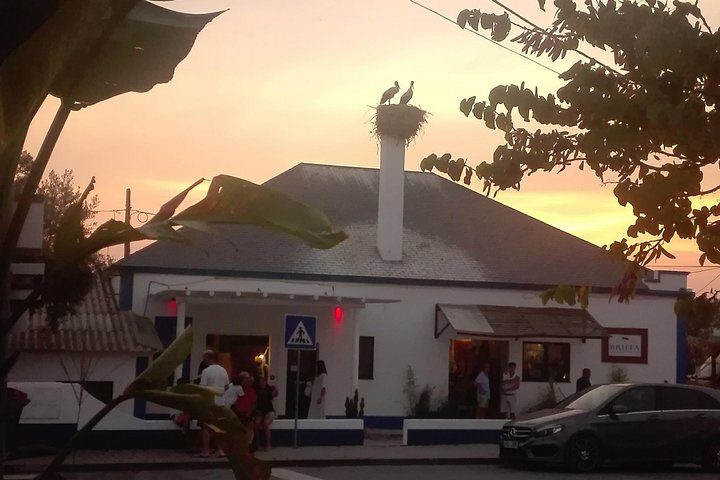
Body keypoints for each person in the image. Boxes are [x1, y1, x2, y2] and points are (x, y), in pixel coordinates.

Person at [198, 349, 229, 457]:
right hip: (220, 403)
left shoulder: (206, 371)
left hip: (209, 403)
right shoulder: (223, 370)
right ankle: (221, 450)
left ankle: (206, 450)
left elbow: (203, 388)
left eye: (204, 359)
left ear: (209, 359)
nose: (204, 361)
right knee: (219, 427)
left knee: (206, 427)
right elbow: (226, 386)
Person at [254, 376, 278, 451]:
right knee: (256, 425)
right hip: (260, 412)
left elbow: (275, 394)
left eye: (263, 381)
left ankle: (268, 445)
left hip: (269, 411)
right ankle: (257, 444)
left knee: (265, 424)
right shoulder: (257, 391)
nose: (262, 383)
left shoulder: (269, 389)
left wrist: (276, 391)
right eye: (260, 382)